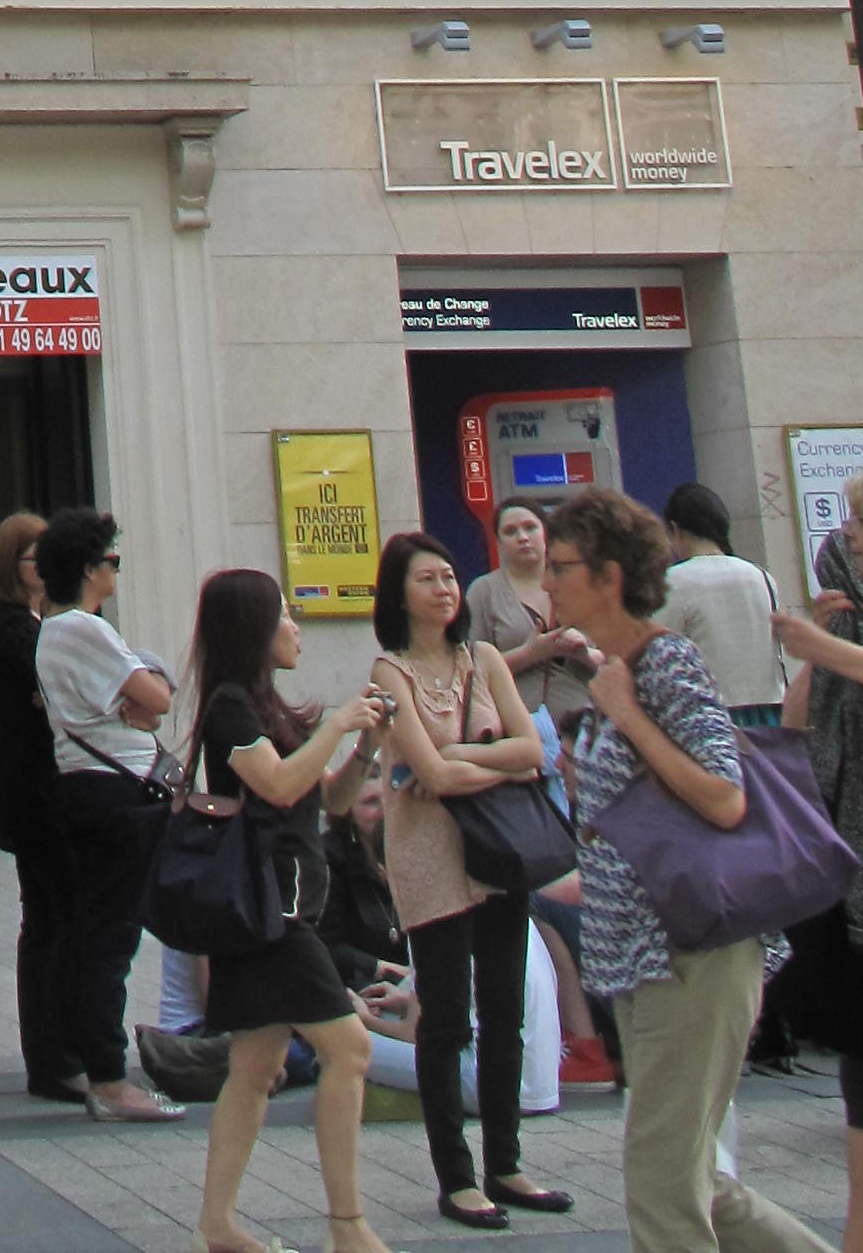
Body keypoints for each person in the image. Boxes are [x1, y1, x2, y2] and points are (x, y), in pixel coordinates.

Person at [543, 485, 835, 1253]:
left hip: (690, 955)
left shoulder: (662, 663)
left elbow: (725, 797)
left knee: (666, 1186)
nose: (547, 583)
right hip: (647, 963)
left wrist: (628, 714)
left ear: (609, 576)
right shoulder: (619, 672)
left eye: (561, 566)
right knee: (698, 1182)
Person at [182, 563, 399, 1253]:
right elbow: (275, 785)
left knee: (253, 1071)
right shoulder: (229, 708)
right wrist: (336, 724)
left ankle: (217, 1225)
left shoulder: (263, 706)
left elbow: (327, 801)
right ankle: (347, 1225)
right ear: (253, 628)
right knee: (350, 1047)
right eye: (283, 616)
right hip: (269, 912)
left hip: (281, 909)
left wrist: (363, 744)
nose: (295, 629)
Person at [367, 526, 568, 1228]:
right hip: (430, 859)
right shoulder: (388, 672)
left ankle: (506, 1164)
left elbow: (534, 753)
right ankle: (456, 1177)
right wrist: (485, 757)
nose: (445, 588)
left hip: (501, 853)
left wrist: (465, 760)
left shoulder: (485, 659)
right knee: (447, 1018)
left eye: (450, 576)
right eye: (427, 579)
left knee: (505, 1013)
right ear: (399, 594)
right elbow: (431, 770)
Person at [35, 503, 183, 1124]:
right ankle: (110, 1077)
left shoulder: (56, 631)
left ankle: (90, 1062)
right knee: (111, 937)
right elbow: (157, 700)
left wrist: (138, 701)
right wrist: (139, 690)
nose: (117, 571)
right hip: (115, 791)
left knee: (92, 930)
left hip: (88, 787)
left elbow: (146, 709)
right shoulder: (85, 630)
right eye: (113, 560)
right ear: (90, 566)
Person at [774, 573, 863, 1253]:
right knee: (862, 1085)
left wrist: (822, 647)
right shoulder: (852, 627)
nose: (853, 537)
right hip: (859, 900)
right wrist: (817, 652)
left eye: (862, 519)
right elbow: (794, 728)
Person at [0, 509, 79, 1102]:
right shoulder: (17, 628)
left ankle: (50, 1056)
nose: (45, 565)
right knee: (57, 922)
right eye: (34, 556)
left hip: (29, 797)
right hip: (38, 797)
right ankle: (55, 1055)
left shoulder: (20, 624)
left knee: (43, 922)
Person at [473, 503, 603, 745]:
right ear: (498, 542)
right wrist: (529, 654)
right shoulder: (484, 591)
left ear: (546, 533)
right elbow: (470, 670)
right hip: (517, 732)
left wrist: (583, 653)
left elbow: (614, 659)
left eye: (530, 527)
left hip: (583, 727)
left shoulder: (579, 584)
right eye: (510, 532)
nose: (522, 537)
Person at [663, 490, 787, 734]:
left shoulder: (673, 581)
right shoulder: (762, 576)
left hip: (708, 718)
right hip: (770, 713)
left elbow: (655, 651)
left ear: (676, 530)